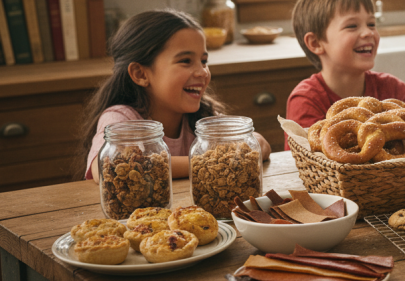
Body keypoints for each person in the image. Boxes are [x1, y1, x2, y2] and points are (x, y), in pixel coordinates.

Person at [78, 10, 271, 182]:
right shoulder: (121, 118)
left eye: (204, 61)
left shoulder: (204, 116)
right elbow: (105, 166)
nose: (203, 72)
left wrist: (254, 143)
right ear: (140, 74)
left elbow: (255, 142)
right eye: (186, 61)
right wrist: (207, 162)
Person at [286, 0, 405, 133]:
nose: (368, 32)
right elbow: (307, 154)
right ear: (315, 43)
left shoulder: (393, 89)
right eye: (352, 26)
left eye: (371, 24)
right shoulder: (306, 100)